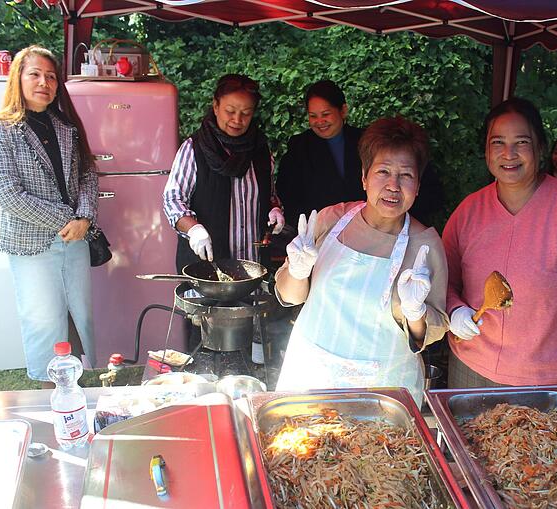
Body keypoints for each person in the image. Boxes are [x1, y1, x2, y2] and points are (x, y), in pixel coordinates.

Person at [443, 98, 557, 396]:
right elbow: (444, 279)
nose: (509, 154)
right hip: (471, 369)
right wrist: (454, 310)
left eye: (521, 142)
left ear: (540, 147)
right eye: (497, 142)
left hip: (550, 378)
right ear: (486, 150)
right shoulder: (469, 211)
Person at [274, 116, 449, 406]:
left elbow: (430, 333)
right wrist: (297, 270)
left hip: (384, 393)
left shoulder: (425, 245)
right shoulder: (331, 219)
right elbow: (290, 296)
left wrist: (414, 311)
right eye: (383, 172)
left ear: (417, 185)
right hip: (310, 375)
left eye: (406, 175)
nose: (393, 185)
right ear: (364, 177)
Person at [0, 45, 98, 386]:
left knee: (81, 317)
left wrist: (85, 217)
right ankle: (45, 387)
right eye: (34, 74)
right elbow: (8, 194)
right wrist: (67, 220)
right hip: (31, 242)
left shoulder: (65, 125)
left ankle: (85, 382)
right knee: (42, 320)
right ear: (17, 78)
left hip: (76, 237)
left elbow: (88, 176)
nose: (44, 82)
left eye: (51, 76)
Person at [276, 79, 443, 227]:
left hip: (376, 228)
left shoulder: (370, 141)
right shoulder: (299, 148)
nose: (320, 122)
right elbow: (289, 197)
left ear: (343, 111)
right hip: (323, 234)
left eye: (326, 114)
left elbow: (425, 190)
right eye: (313, 116)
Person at [163, 74, 284, 273]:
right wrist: (194, 229)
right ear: (216, 106)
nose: (237, 120)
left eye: (246, 113)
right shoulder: (194, 149)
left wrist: (275, 210)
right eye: (230, 111)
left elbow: (270, 195)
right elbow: (172, 200)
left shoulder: (260, 150)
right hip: (206, 270)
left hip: (251, 267)